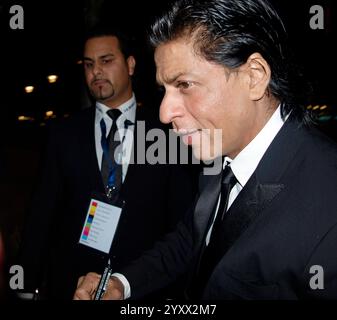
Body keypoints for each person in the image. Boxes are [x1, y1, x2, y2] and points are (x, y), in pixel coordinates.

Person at [74, 0, 337, 300]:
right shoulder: (218, 159)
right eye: (165, 90)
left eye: (184, 84)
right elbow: (192, 239)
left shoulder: (328, 202)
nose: (164, 113)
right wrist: (122, 284)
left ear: (254, 76)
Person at [17, 24, 197, 299]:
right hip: (75, 286)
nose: (96, 72)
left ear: (131, 64)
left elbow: (182, 218)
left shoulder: (166, 131)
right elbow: (42, 213)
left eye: (106, 61)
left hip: (144, 287)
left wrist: (181, 290)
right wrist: (26, 285)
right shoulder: (64, 134)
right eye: (89, 64)